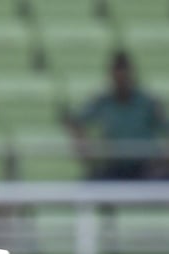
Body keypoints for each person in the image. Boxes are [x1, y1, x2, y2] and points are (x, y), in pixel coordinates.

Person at [66, 50, 168, 180]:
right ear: (111, 76)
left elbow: (165, 126)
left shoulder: (148, 102)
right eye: (117, 77)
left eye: (124, 77)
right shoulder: (102, 101)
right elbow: (75, 122)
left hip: (146, 166)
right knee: (91, 181)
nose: (121, 82)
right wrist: (82, 143)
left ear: (131, 75)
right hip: (115, 166)